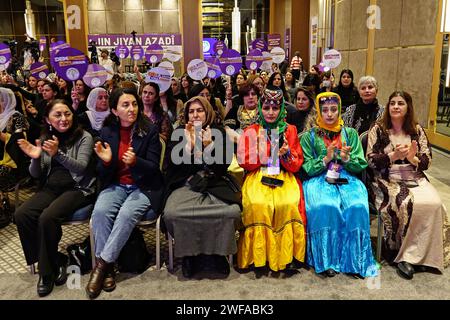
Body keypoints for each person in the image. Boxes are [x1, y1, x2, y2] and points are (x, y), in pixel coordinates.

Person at [86, 88, 163, 299]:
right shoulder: (107, 131)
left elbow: (154, 167)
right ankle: (109, 269)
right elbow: (101, 173)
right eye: (125, 105)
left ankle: (102, 266)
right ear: (114, 110)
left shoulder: (149, 130)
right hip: (116, 184)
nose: (132, 109)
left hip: (144, 187)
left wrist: (136, 162)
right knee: (100, 213)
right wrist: (107, 161)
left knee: (126, 215)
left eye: (134, 104)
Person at [15, 99, 96, 297]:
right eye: (57, 115)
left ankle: (46, 273)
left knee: (47, 217)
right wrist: (35, 158)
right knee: (22, 214)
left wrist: (57, 154)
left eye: (67, 114)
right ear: (48, 119)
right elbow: (36, 174)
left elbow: (81, 167)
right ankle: (56, 259)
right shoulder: (45, 137)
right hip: (51, 187)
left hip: (78, 188)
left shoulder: (84, 136)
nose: (63, 119)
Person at [366, 90, 450, 279]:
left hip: (415, 176)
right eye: (392, 103)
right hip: (387, 179)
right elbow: (370, 161)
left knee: (434, 204)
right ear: (388, 107)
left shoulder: (417, 130)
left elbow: (427, 160)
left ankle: (426, 255)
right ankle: (404, 256)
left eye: (400, 103)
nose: (396, 106)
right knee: (406, 204)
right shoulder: (378, 129)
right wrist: (393, 156)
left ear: (408, 107)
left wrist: (412, 158)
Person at [300, 92, 377, 278]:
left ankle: (356, 260)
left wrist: (347, 159)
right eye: (324, 110)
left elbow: (360, 163)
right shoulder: (309, 137)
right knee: (326, 206)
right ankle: (327, 260)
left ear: (339, 111)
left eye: (334, 110)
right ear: (318, 112)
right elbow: (307, 168)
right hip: (318, 179)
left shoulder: (350, 134)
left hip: (347, 177)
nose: (329, 114)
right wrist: (325, 159)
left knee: (357, 206)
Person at [163, 96, 241, 278]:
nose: (196, 115)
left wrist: (209, 145)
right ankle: (191, 256)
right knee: (173, 214)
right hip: (186, 185)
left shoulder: (219, 132)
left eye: (200, 110)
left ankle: (217, 254)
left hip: (215, 184)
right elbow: (172, 166)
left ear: (207, 113)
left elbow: (223, 165)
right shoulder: (179, 132)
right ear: (186, 114)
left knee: (231, 212)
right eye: (191, 111)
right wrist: (189, 146)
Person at [237, 87, 306, 273]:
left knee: (288, 203)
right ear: (260, 107)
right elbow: (244, 161)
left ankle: (286, 255)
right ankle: (258, 257)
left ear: (281, 109)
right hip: (257, 174)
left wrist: (285, 155)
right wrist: (267, 153)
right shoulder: (251, 130)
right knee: (258, 204)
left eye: (275, 108)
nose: (270, 112)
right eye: (266, 107)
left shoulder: (290, 130)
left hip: (283, 175)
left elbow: (297, 164)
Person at [0, 88, 29, 228]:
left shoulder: (16, 117)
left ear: (6, 101)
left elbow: (20, 141)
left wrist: (1, 135)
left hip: (14, 162)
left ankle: (3, 210)